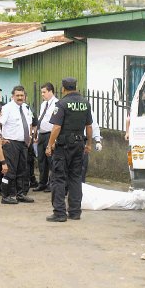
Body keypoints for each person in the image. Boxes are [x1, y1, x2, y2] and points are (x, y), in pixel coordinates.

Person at [45, 77, 93, 222]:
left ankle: (59, 213)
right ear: (76, 87)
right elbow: (89, 126)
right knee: (75, 178)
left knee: (58, 178)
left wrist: (49, 144)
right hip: (79, 145)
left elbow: (57, 127)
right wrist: (89, 144)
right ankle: (75, 212)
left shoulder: (62, 104)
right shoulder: (85, 103)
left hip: (63, 146)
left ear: (63, 88)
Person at [0, 85, 34, 204]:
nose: (20, 97)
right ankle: (5, 195)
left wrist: (29, 137)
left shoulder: (26, 108)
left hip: (23, 143)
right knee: (9, 171)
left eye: (22, 95)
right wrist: (1, 139)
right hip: (11, 143)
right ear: (12, 96)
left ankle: (20, 194)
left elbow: (29, 123)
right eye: (17, 95)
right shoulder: (7, 108)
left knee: (22, 170)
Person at [33, 82, 58, 192]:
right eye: (41, 92)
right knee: (41, 160)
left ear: (51, 91)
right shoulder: (44, 104)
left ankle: (52, 183)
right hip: (42, 134)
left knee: (51, 160)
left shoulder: (57, 104)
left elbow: (56, 123)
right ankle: (42, 182)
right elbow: (40, 119)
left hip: (50, 134)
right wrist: (37, 133)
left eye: (44, 92)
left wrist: (54, 139)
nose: (42, 94)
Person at [80, 119, 102, 183]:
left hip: (81, 140)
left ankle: (81, 186)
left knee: (82, 166)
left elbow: (93, 125)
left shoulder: (86, 109)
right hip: (68, 140)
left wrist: (98, 140)